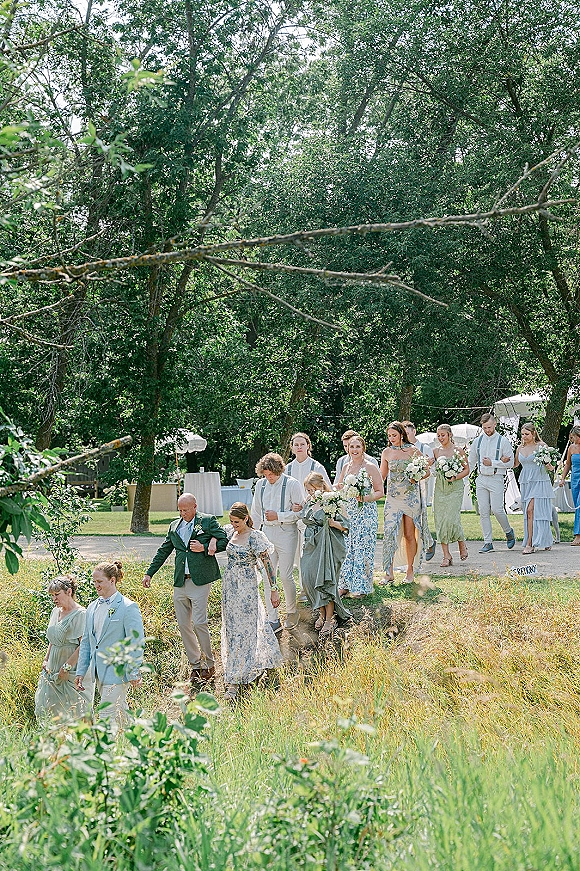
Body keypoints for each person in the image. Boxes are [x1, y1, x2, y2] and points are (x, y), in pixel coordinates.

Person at [142, 492, 228, 685]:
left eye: (186, 510)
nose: (182, 513)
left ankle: (209, 663)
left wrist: (205, 547)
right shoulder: (174, 526)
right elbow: (164, 550)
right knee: (183, 625)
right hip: (181, 581)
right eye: (180, 510)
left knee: (199, 623)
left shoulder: (207, 521)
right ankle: (195, 665)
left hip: (200, 580)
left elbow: (224, 540)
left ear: (194, 506)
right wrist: (149, 573)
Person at [221, 502, 284, 702]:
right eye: (231, 521)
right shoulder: (230, 531)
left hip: (247, 588)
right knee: (232, 630)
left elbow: (268, 566)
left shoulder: (255, 537)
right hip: (230, 588)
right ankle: (236, 670)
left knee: (246, 631)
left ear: (246, 518)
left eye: (237, 522)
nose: (234, 525)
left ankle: (237, 679)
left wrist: (274, 590)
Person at [75, 561, 144, 735]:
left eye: (100, 581)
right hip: (99, 672)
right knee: (121, 713)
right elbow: (87, 643)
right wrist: (81, 671)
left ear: (112, 580)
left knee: (105, 713)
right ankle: (138, 742)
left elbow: (135, 642)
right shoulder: (91, 607)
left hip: (118, 672)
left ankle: (104, 754)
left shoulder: (128, 607)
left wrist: (134, 672)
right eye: (94, 582)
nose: (96, 585)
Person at [251, 452, 304, 630]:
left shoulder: (292, 484)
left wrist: (278, 516)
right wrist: (253, 536)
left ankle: (291, 611)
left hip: (287, 533)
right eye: (265, 474)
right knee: (268, 578)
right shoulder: (260, 485)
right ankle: (273, 619)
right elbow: (256, 513)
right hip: (266, 535)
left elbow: (299, 512)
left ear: (279, 469)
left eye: (271, 474)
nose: (268, 477)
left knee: (285, 575)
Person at [300, 471, 351, 635]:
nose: (310, 493)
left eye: (312, 489)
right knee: (309, 578)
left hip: (328, 544)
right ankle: (321, 613)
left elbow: (346, 526)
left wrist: (333, 523)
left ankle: (329, 618)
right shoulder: (309, 501)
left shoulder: (333, 500)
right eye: (308, 490)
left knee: (325, 580)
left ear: (321, 486)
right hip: (311, 544)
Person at [381, 421, 431, 584]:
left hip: (410, 498)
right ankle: (389, 572)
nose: (391, 438)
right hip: (393, 498)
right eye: (389, 436)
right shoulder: (386, 452)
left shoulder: (413, 451)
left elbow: (426, 472)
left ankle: (410, 571)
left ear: (402, 434)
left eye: (394, 435)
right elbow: (382, 475)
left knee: (410, 535)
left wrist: (415, 476)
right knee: (389, 533)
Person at [35, 574, 89, 722]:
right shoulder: (55, 612)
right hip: (52, 667)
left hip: (69, 668)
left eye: (57, 594)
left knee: (74, 712)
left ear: (69, 592)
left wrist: (65, 668)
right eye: (52, 595)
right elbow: (53, 640)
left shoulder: (80, 614)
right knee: (50, 710)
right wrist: (45, 660)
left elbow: (83, 646)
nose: (54, 599)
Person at [336, 434, 384, 597]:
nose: (354, 449)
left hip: (365, 513)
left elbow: (380, 492)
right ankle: (345, 585)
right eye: (351, 447)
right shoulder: (346, 467)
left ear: (363, 448)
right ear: (347, 449)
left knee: (363, 548)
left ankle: (362, 586)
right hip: (349, 514)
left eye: (357, 446)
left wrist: (365, 497)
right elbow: (341, 487)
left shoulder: (370, 467)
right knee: (348, 548)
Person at [468, 413, 516, 553]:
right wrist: (464, 477)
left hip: (496, 478)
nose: (487, 430)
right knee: (483, 511)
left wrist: (493, 463)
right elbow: (471, 462)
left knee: (497, 509)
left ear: (494, 424)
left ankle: (508, 532)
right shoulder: (477, 441)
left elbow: (512, 463)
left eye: (489, 427)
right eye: (484, 428)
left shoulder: (503, 441)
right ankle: (488, 542)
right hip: (481, 478)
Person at [514, 422, 555, 554]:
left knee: (530, 510)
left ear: (533, 434)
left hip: (540, 480)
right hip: (526, 482)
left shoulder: (541, 446)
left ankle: (530, 543)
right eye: (522, 434)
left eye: (527, 434)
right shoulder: (520, 448)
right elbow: (514, 464)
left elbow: (551, 465)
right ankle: (546, 539)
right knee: (531, 513)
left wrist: (549, 464)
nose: (524, 436)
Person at [432, 424, 469, 566]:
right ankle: (446, 556)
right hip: (440, 488)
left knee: (452, 518)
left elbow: (467, 470)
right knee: (441, 520)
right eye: (439, 435)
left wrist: (455, 477)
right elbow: (431, 467)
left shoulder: (458, 451)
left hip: (455, 487)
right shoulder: (435, 452)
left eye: (443, 435)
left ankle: (461, 543)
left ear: (449, 435)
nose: (440, 438)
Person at [402, 420, 436, 561]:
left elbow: (431, 470)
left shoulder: (424, 447)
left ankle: (428, 543)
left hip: (420, 487)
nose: (406, 435)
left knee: (421, 518)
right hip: (404, 490)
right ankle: (417, 550)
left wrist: (418, 474)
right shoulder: (401, 448)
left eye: (408, 432)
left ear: (414, 432)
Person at [558, 425, 580, 546]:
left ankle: (578, 536)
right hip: (575, 479)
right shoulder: (571, 448)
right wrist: (562, 478)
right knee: (577, 506)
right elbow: (568, 464)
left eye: (575, 437)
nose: (573, 440)